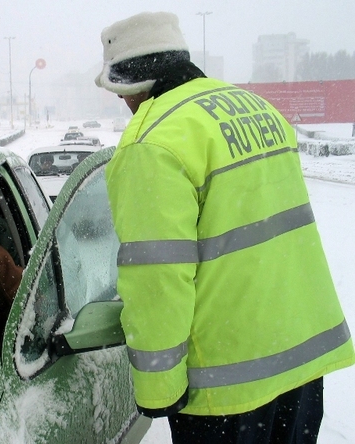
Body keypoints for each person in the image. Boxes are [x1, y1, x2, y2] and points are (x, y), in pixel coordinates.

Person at [94, 11, 355, 443]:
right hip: (302, 364)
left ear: (129, 88)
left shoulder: (152, 142)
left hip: (228, 387)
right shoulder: (257, 108)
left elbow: (157, 277)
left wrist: (159, 391)